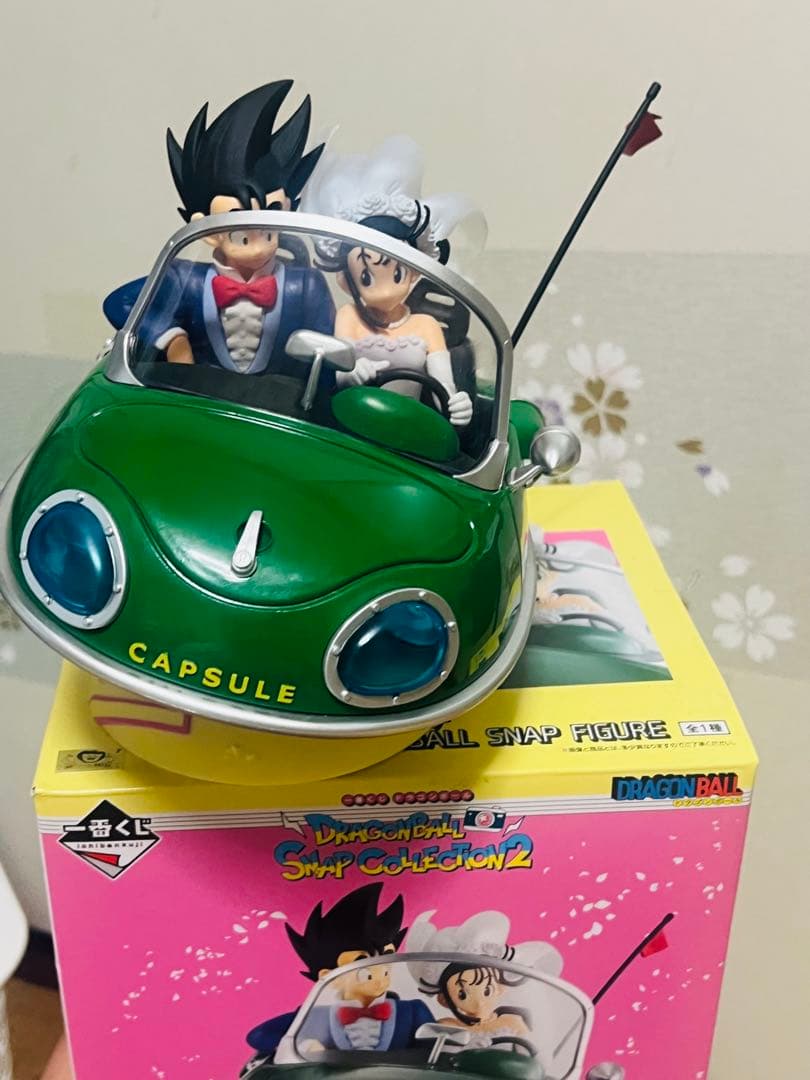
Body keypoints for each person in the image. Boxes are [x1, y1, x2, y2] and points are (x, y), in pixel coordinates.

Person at [104, 81, 335, 382]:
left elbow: (326, 357)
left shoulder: (305, 286)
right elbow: (119, 302)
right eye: (241, 233)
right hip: (200, 395)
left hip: (278, 399)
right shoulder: (185, 280)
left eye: (268, 227)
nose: (257, 245)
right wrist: (171, 338)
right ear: (208, 229)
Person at [300, 136, 485, 422]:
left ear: (414, 273)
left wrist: (455, 403)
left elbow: (443, 386)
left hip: (407, 428)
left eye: (396, 273)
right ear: (346, 281)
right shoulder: (349, 316)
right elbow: (339, 373)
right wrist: (353, 372)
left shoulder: (426, 326)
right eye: (366, 277)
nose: (385, 290)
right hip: (352, 422)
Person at [244, 883, 432, 1062]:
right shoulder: (313, 1015)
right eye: (361, 961)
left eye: (386, 958)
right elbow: (259, 1035)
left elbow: (435, 1049)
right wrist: (304, 1045)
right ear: (328, 976)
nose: (379, 969)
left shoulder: (413, 1011)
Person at [406, 910, 562, 1049]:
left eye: (486, 990)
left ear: (500, 988)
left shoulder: (512, 1022)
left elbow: (532, 1060)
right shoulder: (447, 1027)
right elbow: (438, 1056)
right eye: (462, 994)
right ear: (444, 1000)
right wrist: (467, 1047)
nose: (479, 1003)